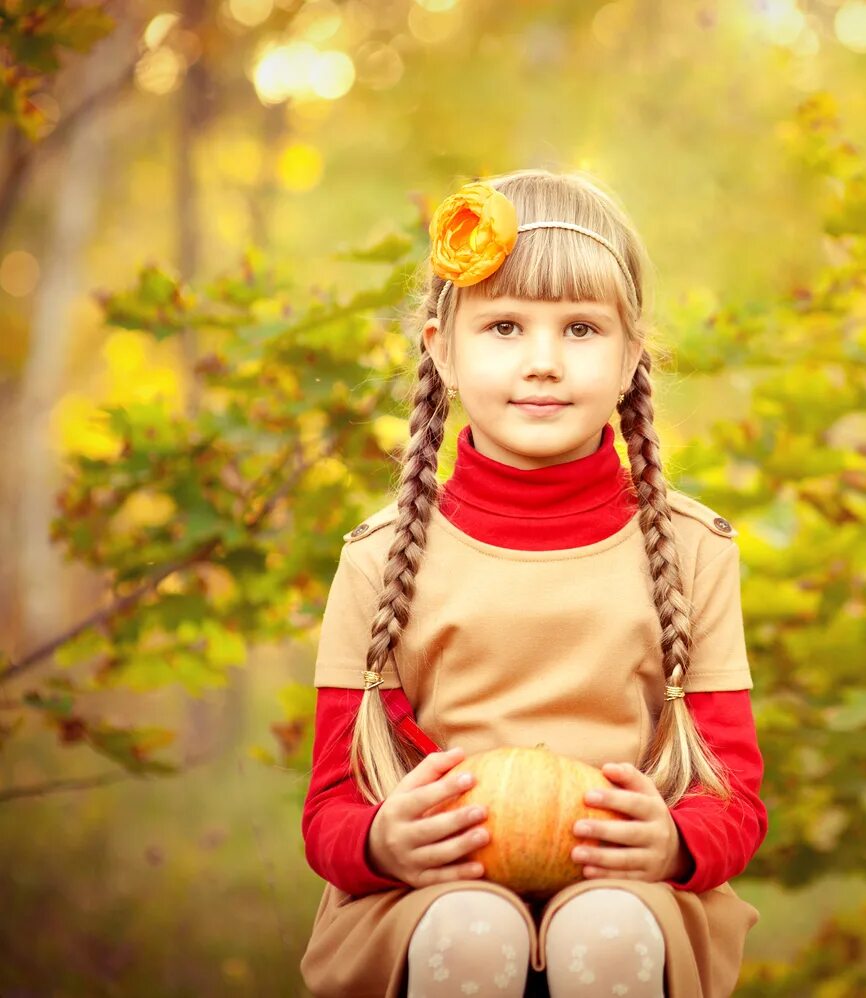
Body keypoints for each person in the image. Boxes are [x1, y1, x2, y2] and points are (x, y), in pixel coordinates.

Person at [299, 169, 767, 998]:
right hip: (430, 892)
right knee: (469, 932)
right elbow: (330, 808)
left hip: (633, 890)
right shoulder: (380, 559)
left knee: (609, 929)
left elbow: (732, 795)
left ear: (631, 357)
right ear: (441, 349)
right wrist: (380, 843)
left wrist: (673, 843)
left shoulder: (694, 550)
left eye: (581, 329)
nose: (543, 363)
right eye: (506, 326)